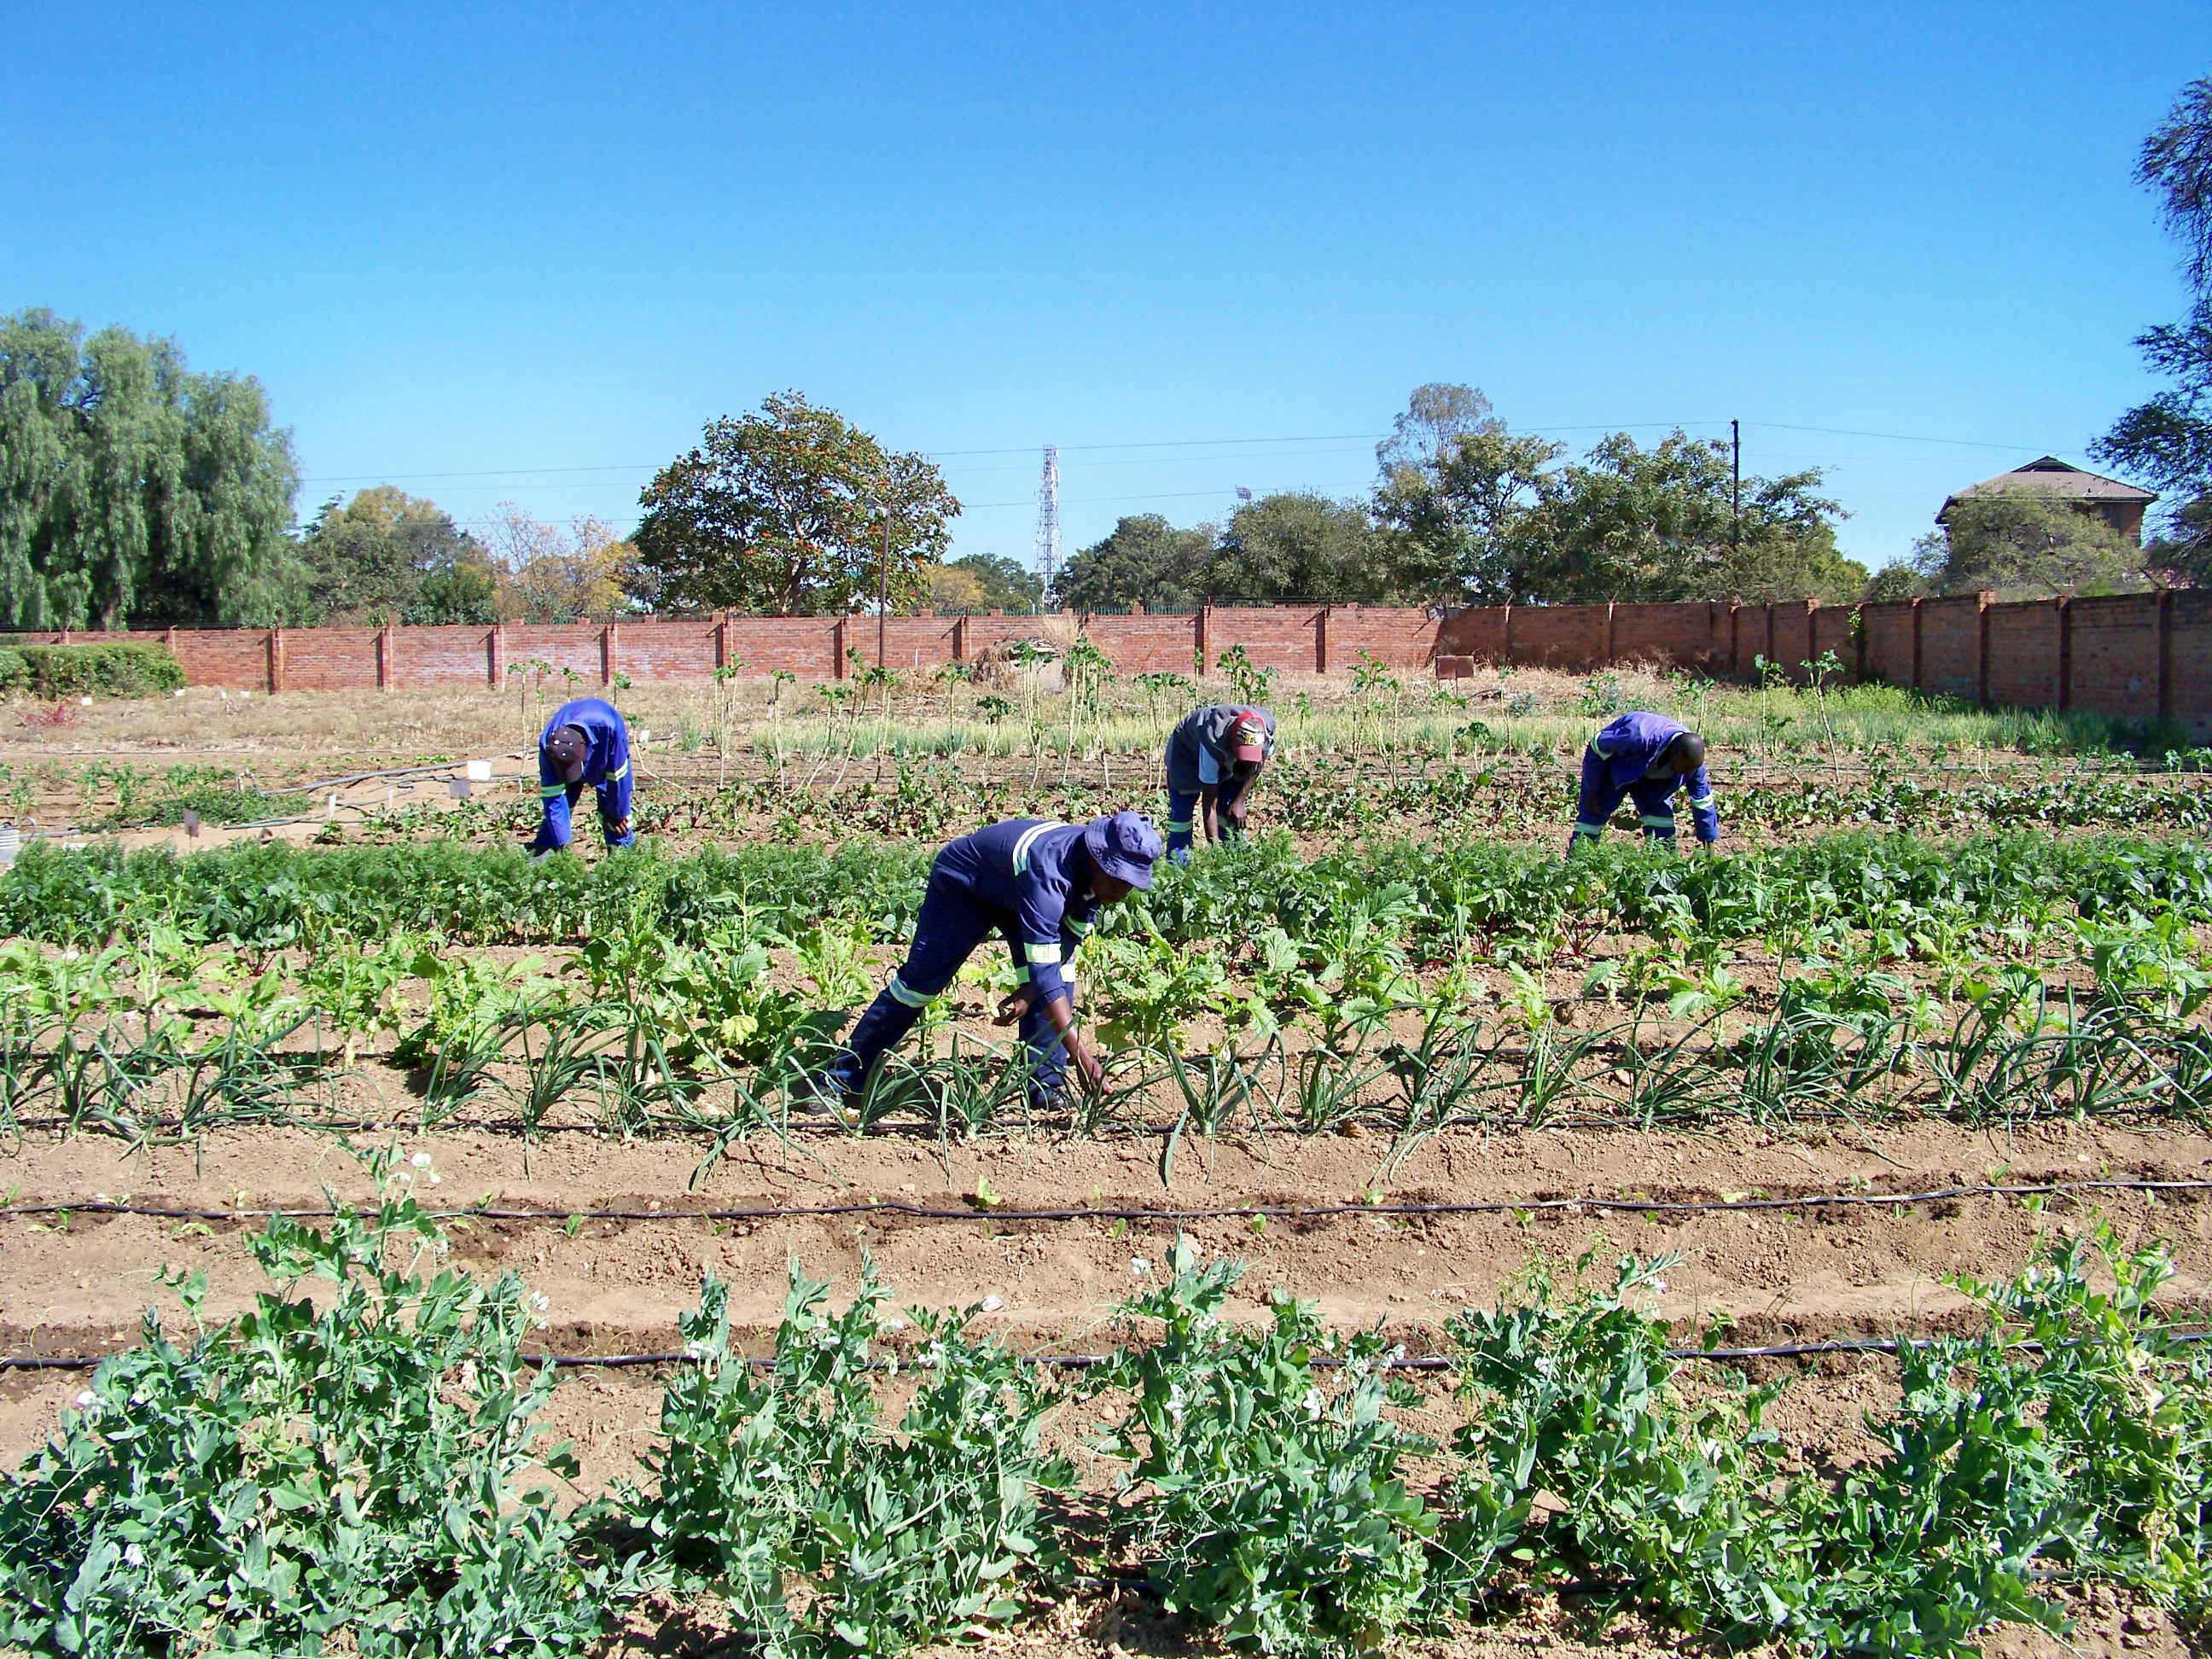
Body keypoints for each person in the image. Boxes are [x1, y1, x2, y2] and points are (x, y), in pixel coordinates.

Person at [810, 811, 1163, 1115]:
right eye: (1119, 880)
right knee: (916, 988)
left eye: (1131, 884)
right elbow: (1044, 970)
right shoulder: (1049, 868)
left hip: (1015, 893)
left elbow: (1062, 948)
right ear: (1097, 859)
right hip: (967, 885)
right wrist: (1082, 1055)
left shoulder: (1094, 882)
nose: (1121, 892)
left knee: (1059, 978)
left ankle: (1046, 1087)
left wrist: (1027, 993)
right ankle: (839, 1081)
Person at [1569, 711, 1719, 853]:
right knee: (1592, 816)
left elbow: (1702, 802)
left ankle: (1661, 873)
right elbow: (1597, 745)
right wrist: (1593, 790)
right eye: (1686, 767)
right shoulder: (1638, 738)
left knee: (1662, 829)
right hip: (1620, 767)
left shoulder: (1692, 764)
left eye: (1692, 769)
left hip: (1653, 780)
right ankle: (1575, 869)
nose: (1688, 773)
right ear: (1674, 752)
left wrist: (1709, 843)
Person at [1163, 703, 1276, 864]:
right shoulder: (1213, 739)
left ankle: (1238, 864)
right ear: (1232, 741)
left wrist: (1239, 801)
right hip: (1186, 756)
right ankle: (1177, 869)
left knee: (1230, 812)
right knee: (1181, 817)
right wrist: (1214, 847)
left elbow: (1259, 764)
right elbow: (1209, 805)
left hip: (1226, 755)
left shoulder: (1264, 734)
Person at [531, 697, 636, 854]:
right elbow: (553, 798)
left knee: (617, 823)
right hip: (566, 760)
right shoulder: (550, 746)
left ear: (583, 745)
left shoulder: (608, 728)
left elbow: (619, 780)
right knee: (555, 822)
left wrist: (617, 814)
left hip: (603, 754)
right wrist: (564, 848)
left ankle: (623, 863)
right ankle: (544, 855)